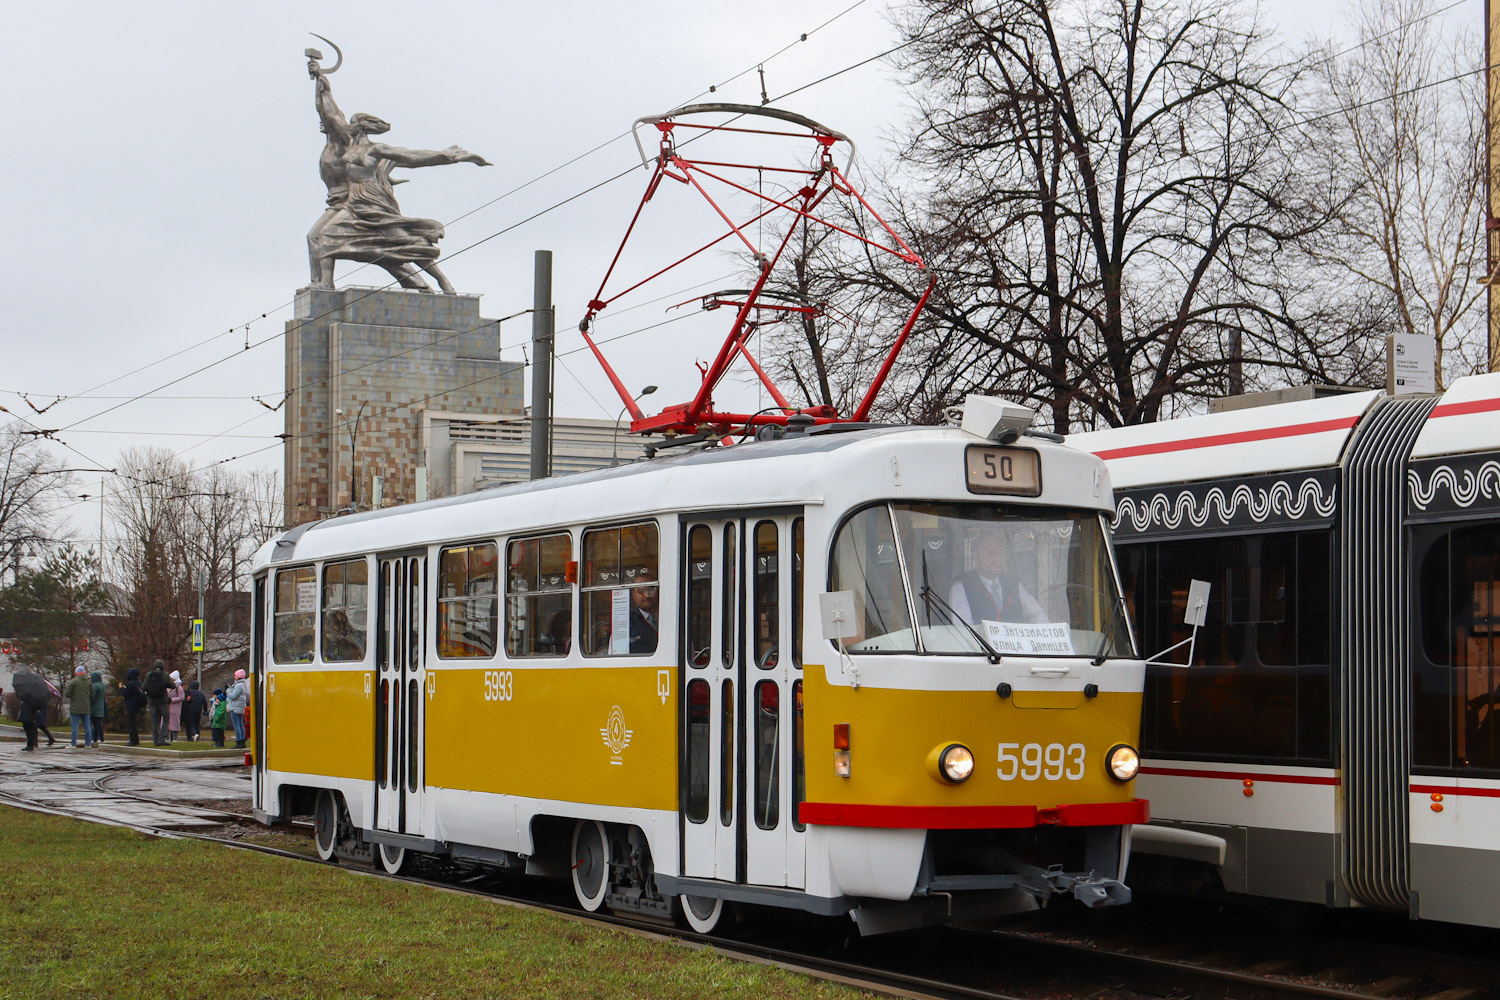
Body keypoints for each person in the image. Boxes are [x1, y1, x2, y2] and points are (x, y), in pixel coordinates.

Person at [948, 534, 1048, 626]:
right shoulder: (962, 588)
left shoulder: (1014, 585)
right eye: (991, 554)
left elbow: (1038, 615)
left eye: (1001, 553)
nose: (998, 559)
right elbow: (963, 629)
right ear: (976, 557)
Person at [64, 665, 95, 748]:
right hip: (86, 707)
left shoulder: (74, 681)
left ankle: (73, 744)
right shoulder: (89, 682)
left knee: (75, 727)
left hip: (75, 707)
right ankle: (88, 744)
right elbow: (92, 695)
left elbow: (68, 694)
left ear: (76, 672)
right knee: (87, 726)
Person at [628, 574, 659, 655]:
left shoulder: (672, 617)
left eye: (651, 590)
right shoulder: (626, 622)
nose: (647, 595)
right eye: (641, 591)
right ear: (634, 595)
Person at [144, 659, 171, 746]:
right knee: (166, 719)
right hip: (163, 701)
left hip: (152, 701)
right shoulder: (165, 675)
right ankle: (162, 738)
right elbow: (173, 685)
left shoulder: (148, 675)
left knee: (155, 721)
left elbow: (143, 687)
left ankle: (155, 740)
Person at [119, 667, 146, 746]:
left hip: (131, 705)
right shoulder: (139, 682)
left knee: (131, 723)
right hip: (138, 704)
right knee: (133, 723)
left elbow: (126, 694)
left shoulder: (130, 683)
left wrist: (121, 688)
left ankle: (133, 740)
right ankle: (135, 740)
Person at [227, 669, 250, 749]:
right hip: (241, 707)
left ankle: (239, 741)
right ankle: (242, 741)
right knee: (241, 724)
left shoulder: (238, 685)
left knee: (236, 725)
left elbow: (233, 696)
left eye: (235, 675)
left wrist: (228, 690)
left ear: (239, 676)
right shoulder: (243, 684)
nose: (234, 677)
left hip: (235, 707)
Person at [89, 671, 108, 746]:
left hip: (94, 707)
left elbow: (92, 697)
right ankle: (102, 738)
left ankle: (95, 739)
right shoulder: (102, 685)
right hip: (101, 707)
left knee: (95, 724)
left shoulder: (95, 686)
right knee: (100, 724)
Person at [166, 670, 185, 744]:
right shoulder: (168, 686)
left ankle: (174, 738)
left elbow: (181, 697)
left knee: (174, 724)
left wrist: (172, 700)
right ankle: (166, 738)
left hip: (175, 708)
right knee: (166, 723)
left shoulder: (179, 688)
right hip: (167, 707)